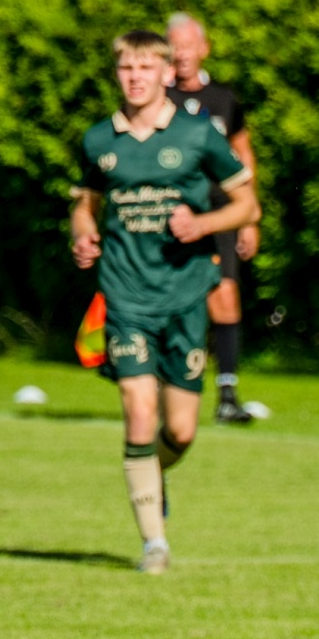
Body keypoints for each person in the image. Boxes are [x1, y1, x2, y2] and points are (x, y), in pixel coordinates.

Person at [70, 30, 260, 573]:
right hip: (125, 295)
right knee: (138, 408)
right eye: (126, 68)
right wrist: (82, 233)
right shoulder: (98, 140)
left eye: (145, 68)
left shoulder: (198, 135)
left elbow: (246, 206)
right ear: (117, 73)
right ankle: (155, 544)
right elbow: (84, 205)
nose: (135, 78)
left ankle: (152, 473)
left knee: (180, 431)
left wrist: (203, 223)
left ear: (164, 73)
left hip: (186, 295)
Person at [166, 13, 260, 424]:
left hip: (219, 213)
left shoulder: (224, 99)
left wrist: (249, 217)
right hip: (170, 215)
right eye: (175, 46)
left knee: (224, 296)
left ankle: (227, 395)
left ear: (204, 49)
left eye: (188, 45)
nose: (182, 54)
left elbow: (244, 153)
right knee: (169, 301)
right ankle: (164, 386)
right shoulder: (157, 97)